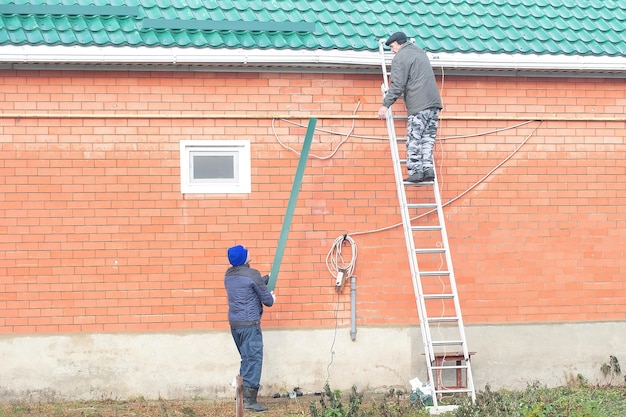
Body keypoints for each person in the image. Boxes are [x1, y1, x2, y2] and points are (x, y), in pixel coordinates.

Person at [378, 31, 443, 183]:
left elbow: (398, 85)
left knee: (414, 138)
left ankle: (416, 172)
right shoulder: (420, 52)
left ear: (399, 43)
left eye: (393, 47)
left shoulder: (401, 57)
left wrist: (385, 105)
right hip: (434, 105)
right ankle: (428, 169)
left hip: (419, 105)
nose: (392, 50)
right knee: (427, 139)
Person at [224, 244, 275, 412]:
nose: (249, 253)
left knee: (246, 359)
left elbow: (249, 284)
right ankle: (249, 401)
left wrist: (265, 279)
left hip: (236, 326)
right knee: (253, 360)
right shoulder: (252, 274)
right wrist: (271, 296)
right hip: (250, 325)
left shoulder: (229, 275)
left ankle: (241, 396)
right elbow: (267, 301)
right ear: (242, 257)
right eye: (246, 252)